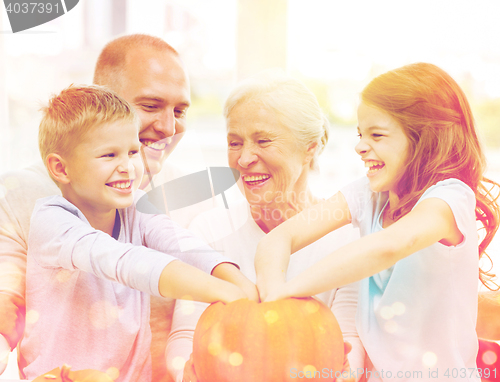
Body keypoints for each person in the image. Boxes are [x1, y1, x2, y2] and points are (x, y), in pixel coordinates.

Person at [255, 63, 500, 380]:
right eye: (360, 134)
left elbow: (389, 246)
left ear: (424, 138)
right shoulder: (369, 195)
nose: (359, 146)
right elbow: (279, 238)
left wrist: (289, 292)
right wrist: (274, 293)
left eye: (377, 135)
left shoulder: (449, 201)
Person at [20, 85, 256, 381]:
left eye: (132, 152)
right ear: (61, 168)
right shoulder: (52, 221)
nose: (128, 167)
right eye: (109, 155)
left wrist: (239, 283)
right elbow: (127, 262)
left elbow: (182, 245)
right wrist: (221, 292)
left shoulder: (136, 208)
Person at [0, 34, 199, 380]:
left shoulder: (192, 198)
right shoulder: (21, 194)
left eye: (179, 111)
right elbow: (5, 309)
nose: (168, 127)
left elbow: (194, 321)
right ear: (101, 101)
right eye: (150, 106)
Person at [165, 72, 364, 382]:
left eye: (263, 141)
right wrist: (185, 375)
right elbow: (184, 337)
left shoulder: (348, 238)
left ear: (309, 147)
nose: (244, 158)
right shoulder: (208, 230)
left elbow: (347, 343)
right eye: (235, 142)